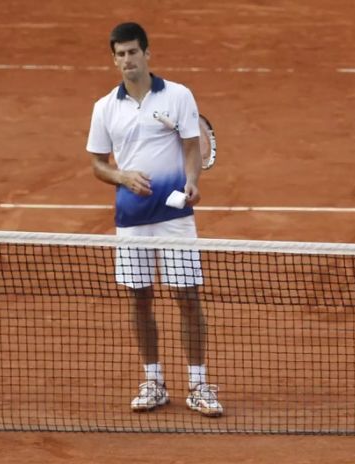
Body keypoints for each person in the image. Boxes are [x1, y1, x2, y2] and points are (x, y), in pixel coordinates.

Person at [86, 22, 222, 417]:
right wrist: (122, 175)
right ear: (114, 60)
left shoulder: (178, 96)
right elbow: (97, 164)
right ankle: (153, 381)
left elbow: (192, 147)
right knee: (139, 298)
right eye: (120, 54)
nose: (127, 60)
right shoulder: (104, 108)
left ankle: (198, 384)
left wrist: (193, 181)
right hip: (132, 220)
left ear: (147, 54)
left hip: (175, 217)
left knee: (187, 297)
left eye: (133, 52)